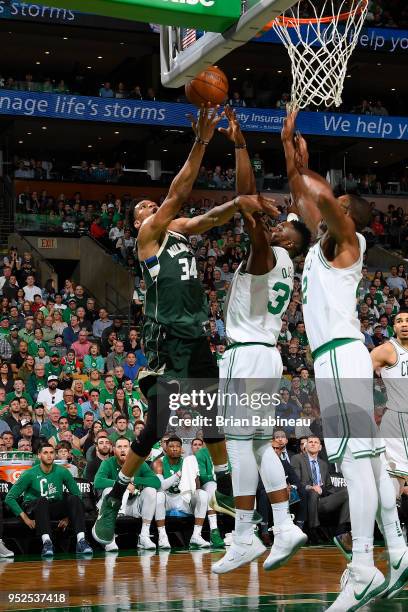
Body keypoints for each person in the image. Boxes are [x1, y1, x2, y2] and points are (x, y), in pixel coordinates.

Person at [92, 104, 277, 546]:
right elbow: (176, 196)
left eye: (152, 204)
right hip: (165, 337)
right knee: (158, 421)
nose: (152, 206)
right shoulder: (147, 239)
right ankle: (114, 494)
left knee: (212, 416)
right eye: (144, 207)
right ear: (138, 223)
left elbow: (208, 217)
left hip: (194, 336)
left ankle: (228, 489)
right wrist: (200, 141)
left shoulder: (179, 231)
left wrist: (238, 201)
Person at [282, 109, 408, 608]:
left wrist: (313, 180)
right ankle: (396, 550)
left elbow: (325, 206)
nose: (325, 216)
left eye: (336, 209)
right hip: (338, 362)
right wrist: (293, 159)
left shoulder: (350, 244)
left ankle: (362, 567)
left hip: (339, 359)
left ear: (349, 214)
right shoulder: (320, 246)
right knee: (372, 468)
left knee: (357, 467)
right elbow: (303, 197)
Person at [212, 106, 309, 574]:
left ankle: (247, 534)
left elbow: (246, 198)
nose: (277, 224)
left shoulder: (269, 256)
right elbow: (252, 205)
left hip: (249, 357)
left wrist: (240, 145)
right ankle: (284, 525)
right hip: (261, 356)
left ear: (293, 241)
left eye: (286, 225)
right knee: (253, 446)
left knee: (237, 444)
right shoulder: (279, 259)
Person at [5, 442, 92, 556]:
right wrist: (25, 518)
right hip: (33, 507)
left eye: (51, 452)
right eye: (45, 453)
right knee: (42, 500)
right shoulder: (29, 474)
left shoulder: (62, 471)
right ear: (39, 455)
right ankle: (47, 543)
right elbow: (9, 498)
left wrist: (67, 518)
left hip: (53, 506)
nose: (49, 455)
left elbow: (78, 495)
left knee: (74, 499)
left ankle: (81, 541)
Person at [95, 437, 160, 551]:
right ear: (114, 449)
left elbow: (156, 482)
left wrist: (134, 479)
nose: (123, 450)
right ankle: (109, 538)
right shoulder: (107, 462)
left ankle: (144, 536)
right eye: (119, 447)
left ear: (130, 449)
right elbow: (98, 482)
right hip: (112, 505)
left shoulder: (139, 463)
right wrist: (122, 483)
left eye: (126, 447)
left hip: (132, 504)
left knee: (151, 491)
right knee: (108, 489)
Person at [371, 310, 408, 501]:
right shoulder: (387, 349)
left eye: (407, 320)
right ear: (393, 327)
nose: (404, 324)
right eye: (399, 321)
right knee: (395, 481)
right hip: (398, 419)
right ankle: (388, 525)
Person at [291, 436, 350, 542]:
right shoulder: (297, 459)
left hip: (322, 500)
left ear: (320, 447)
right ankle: (313, 528)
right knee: (313, 492)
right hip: (306, 499)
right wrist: (311, 487)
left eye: (316, 442)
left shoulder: (323, 464)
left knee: (347, 492)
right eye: (310, 442)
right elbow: (296, 482)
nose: (313, 444)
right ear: (306, 445)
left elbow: (329, 486)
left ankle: (341, 531)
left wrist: (324, 491)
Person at [154, 436, 209, 549]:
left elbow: (196, 487)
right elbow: (161, 486)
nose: (175, 449)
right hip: (167, 499)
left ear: (181, 449)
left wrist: (194, 475)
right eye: (171, 446)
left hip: (182, 498)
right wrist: (179, 474)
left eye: (178, 446)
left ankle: (196, 535)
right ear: (166, 448)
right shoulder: (158, 462)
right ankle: (162, 536)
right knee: (158, 495)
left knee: (202, 494)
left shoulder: (187, 462)